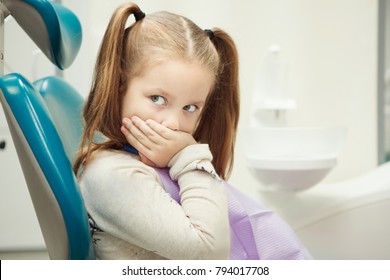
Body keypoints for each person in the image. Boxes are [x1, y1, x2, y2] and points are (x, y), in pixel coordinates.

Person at [74, 2, 311, 260]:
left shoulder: (144, 163)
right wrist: (189, 154)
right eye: (157, 99)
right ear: (119, 85)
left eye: (190, 107)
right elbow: (209, 255)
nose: (174, 123)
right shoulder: (114, 176)